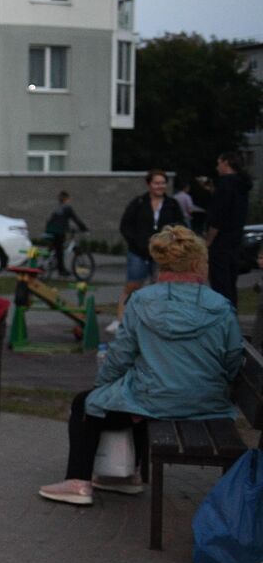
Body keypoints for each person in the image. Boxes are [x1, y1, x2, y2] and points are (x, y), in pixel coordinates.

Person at [39, 226, 243, 506]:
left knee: (89, 403)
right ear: (198, 264)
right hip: (207, 403)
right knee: (132, 393)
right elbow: (233, 359)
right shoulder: (221, 306)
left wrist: (102, 385)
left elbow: (121, 355)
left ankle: (78, 482)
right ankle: (123, 476)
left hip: (155, 399)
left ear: (162, 263)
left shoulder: (142, 301)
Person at [113, 169, 186, 331]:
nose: (160, 186)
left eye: (163, 183)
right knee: (132, 285)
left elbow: (181, 226)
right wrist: (137, 243)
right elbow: (125, 226)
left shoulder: (172, 204)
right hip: (138, 252)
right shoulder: (138, 202)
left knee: (161, 286)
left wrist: (171, 243)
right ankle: (121, 319)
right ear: (149, 184)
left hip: (163, 254)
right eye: (156, 183)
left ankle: (158, 322)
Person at [206, 150, 251, 307]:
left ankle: (223, 318)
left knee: (220, 283)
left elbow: (218, 217)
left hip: (221, 242)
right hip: (235, 239)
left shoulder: (225, 184)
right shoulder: (241, 185)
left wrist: (208, 242)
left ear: (226, 162)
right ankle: (231, 314)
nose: (217, 166)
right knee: (231, 282)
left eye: (218, 162)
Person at [43, 191, 88, 276]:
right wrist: (84, 228)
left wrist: (68, 228)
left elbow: (54, 220)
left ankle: (48, 262)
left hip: (50, 230)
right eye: (68, 199)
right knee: (59, 250)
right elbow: (76, 219)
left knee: (55, 248)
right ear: (66, 199)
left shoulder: (57, 208)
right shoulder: (67, 208)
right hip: (58, 231)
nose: (69, 200)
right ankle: (61, 270)